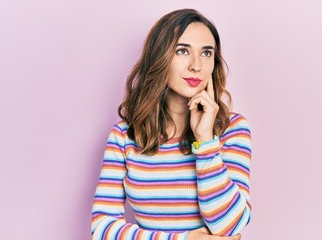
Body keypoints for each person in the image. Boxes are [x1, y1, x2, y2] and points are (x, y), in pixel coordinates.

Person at [91, 8, 252, 240]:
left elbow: (229, 226)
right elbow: (102, 229)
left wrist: (206, 142)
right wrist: (184, 239)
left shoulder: (233, 129)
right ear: (160, 57)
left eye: (206, 53)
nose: (196, 66)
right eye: (182, 50)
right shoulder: (125, 136)